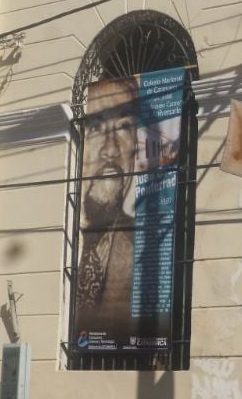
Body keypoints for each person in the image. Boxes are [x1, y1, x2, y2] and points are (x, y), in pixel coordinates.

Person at [75, 77, 139, 344]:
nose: (111, 149)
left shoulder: (144, 248)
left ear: (136, 149)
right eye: (96, 128)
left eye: (124, 127)